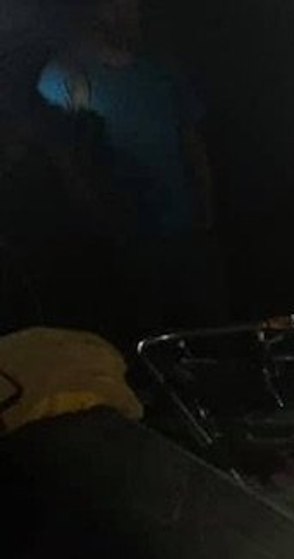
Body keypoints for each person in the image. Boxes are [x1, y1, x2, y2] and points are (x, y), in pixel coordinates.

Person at [35, 0, 223, 341]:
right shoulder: (63, 78)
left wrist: (206, 207)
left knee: (203, 334)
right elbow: (60, 166)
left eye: (133, 5)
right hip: (121, 246)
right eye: (116, 4)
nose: (129, 12)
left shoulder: (162, 71)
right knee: (139, 338)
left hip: (183, 232)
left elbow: (191, 140)